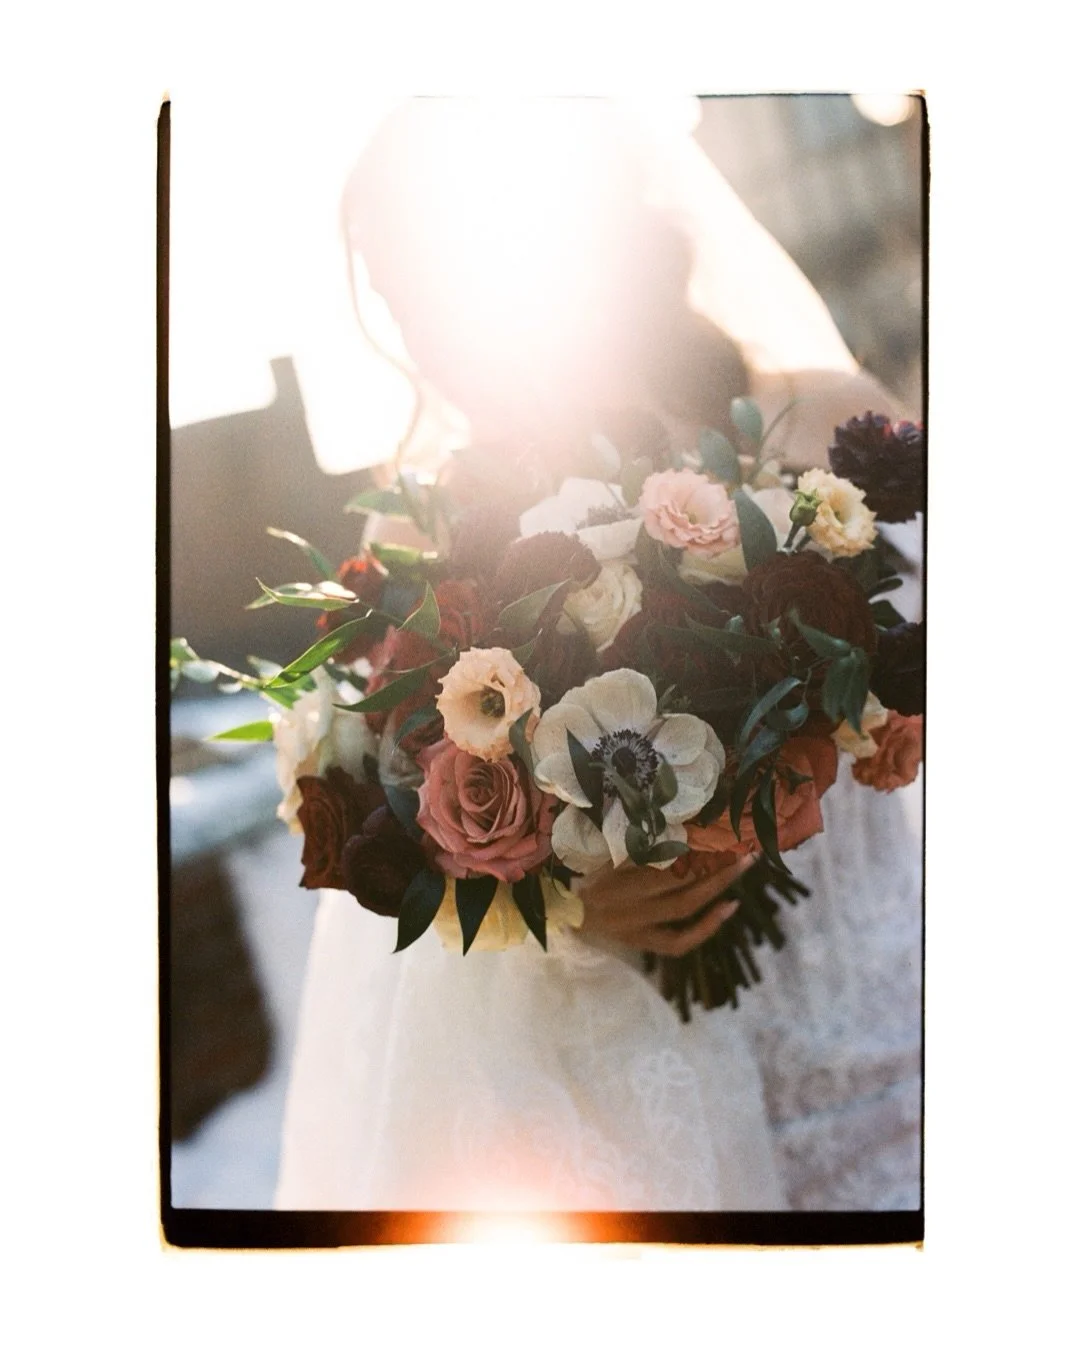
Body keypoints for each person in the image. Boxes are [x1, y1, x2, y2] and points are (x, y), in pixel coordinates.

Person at [274, 97, 923, 1211]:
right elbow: (391, 864)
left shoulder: (822, 427)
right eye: (390, 288)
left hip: (898, 1038)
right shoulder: (420, 532)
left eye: (432, 276)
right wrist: (553, 912)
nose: (422, 327)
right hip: (657, 1098)